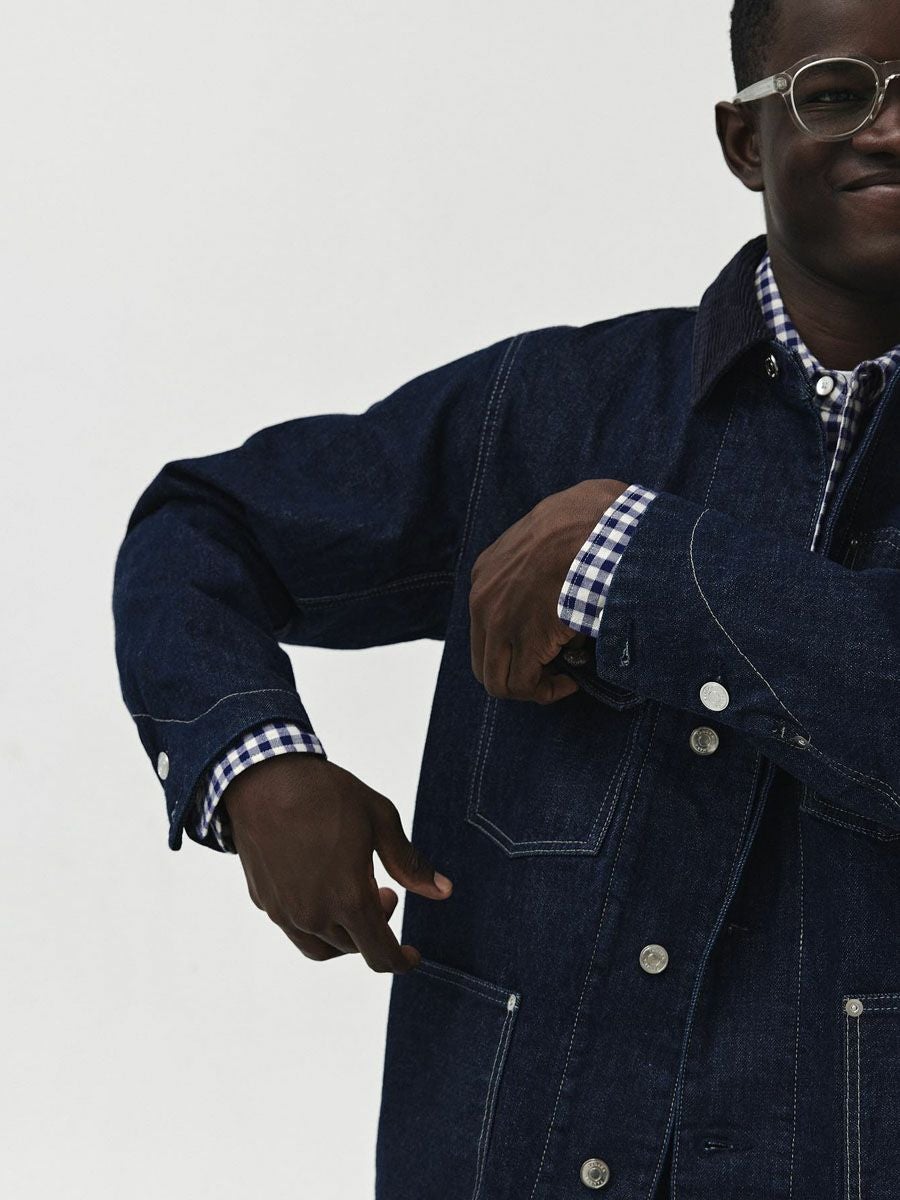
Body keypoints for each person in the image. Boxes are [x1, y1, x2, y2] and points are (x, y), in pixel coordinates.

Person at [112, 0, 900, 1195]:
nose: (889, 131)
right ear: (746, 141)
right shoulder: (546, 411)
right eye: (836, 93)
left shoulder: (600, 506)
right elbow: (200, 529)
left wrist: (633, 557)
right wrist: (255, 767)